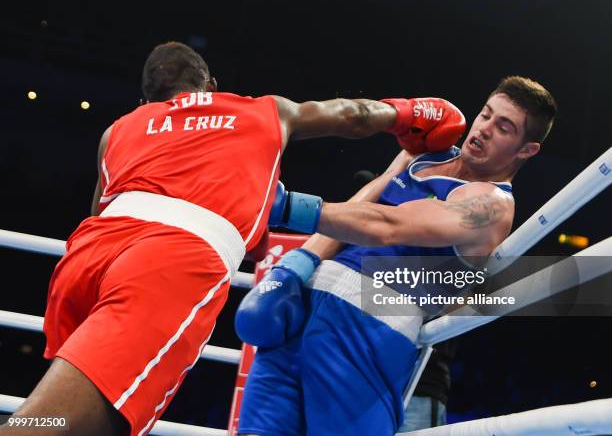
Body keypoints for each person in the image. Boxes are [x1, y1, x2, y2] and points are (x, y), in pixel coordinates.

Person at [0, 41, 464, 436]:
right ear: (212, 86)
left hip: (88, 257)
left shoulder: (118, 130)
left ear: (148, 99)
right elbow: (353, 115)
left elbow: (100, 208)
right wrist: (409, 112)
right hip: (165, 262)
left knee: (85, 420)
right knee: (46, 425)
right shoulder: (260, 109)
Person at [236, 76, 558, 436]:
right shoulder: (427, 154)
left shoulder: (491, 206)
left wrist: (287, 205)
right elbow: (368, 198)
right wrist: (296, 266)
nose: (483, 130)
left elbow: (387, 225)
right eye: (485, 115)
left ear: (526, 150)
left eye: (503, 127)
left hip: (367, 322)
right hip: (306, 298)